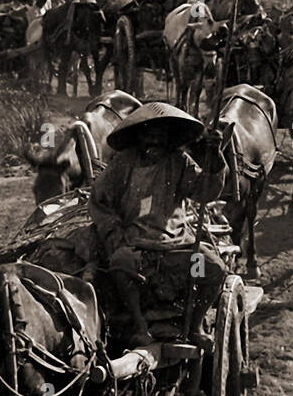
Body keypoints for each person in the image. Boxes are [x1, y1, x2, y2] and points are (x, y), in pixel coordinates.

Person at [88, 103, 227, 349]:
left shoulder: (179, 161)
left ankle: (194, 325)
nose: (154, 141)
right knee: (120, 264)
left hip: (176, 246)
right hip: (136, 246)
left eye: (160, 136)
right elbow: (100, 203)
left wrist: (215, 158)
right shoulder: (122, 164)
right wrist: (115, 234)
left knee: (214, 268)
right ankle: (139, 326)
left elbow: (204, 192)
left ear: (168, 138)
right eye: (149, 135)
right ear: (138, 136)